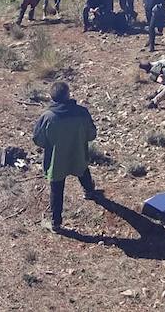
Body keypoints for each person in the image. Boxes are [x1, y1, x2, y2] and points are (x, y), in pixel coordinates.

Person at [31, 82, 100, 233]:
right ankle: (89, 192)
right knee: (83, 171)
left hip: (56, 160)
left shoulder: (47, 116)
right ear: (68, 95)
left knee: (57, 189)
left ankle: (56, 223)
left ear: (52, 97)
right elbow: (92, 134)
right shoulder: (82, 112)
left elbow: (38, 140)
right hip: (78, 154)